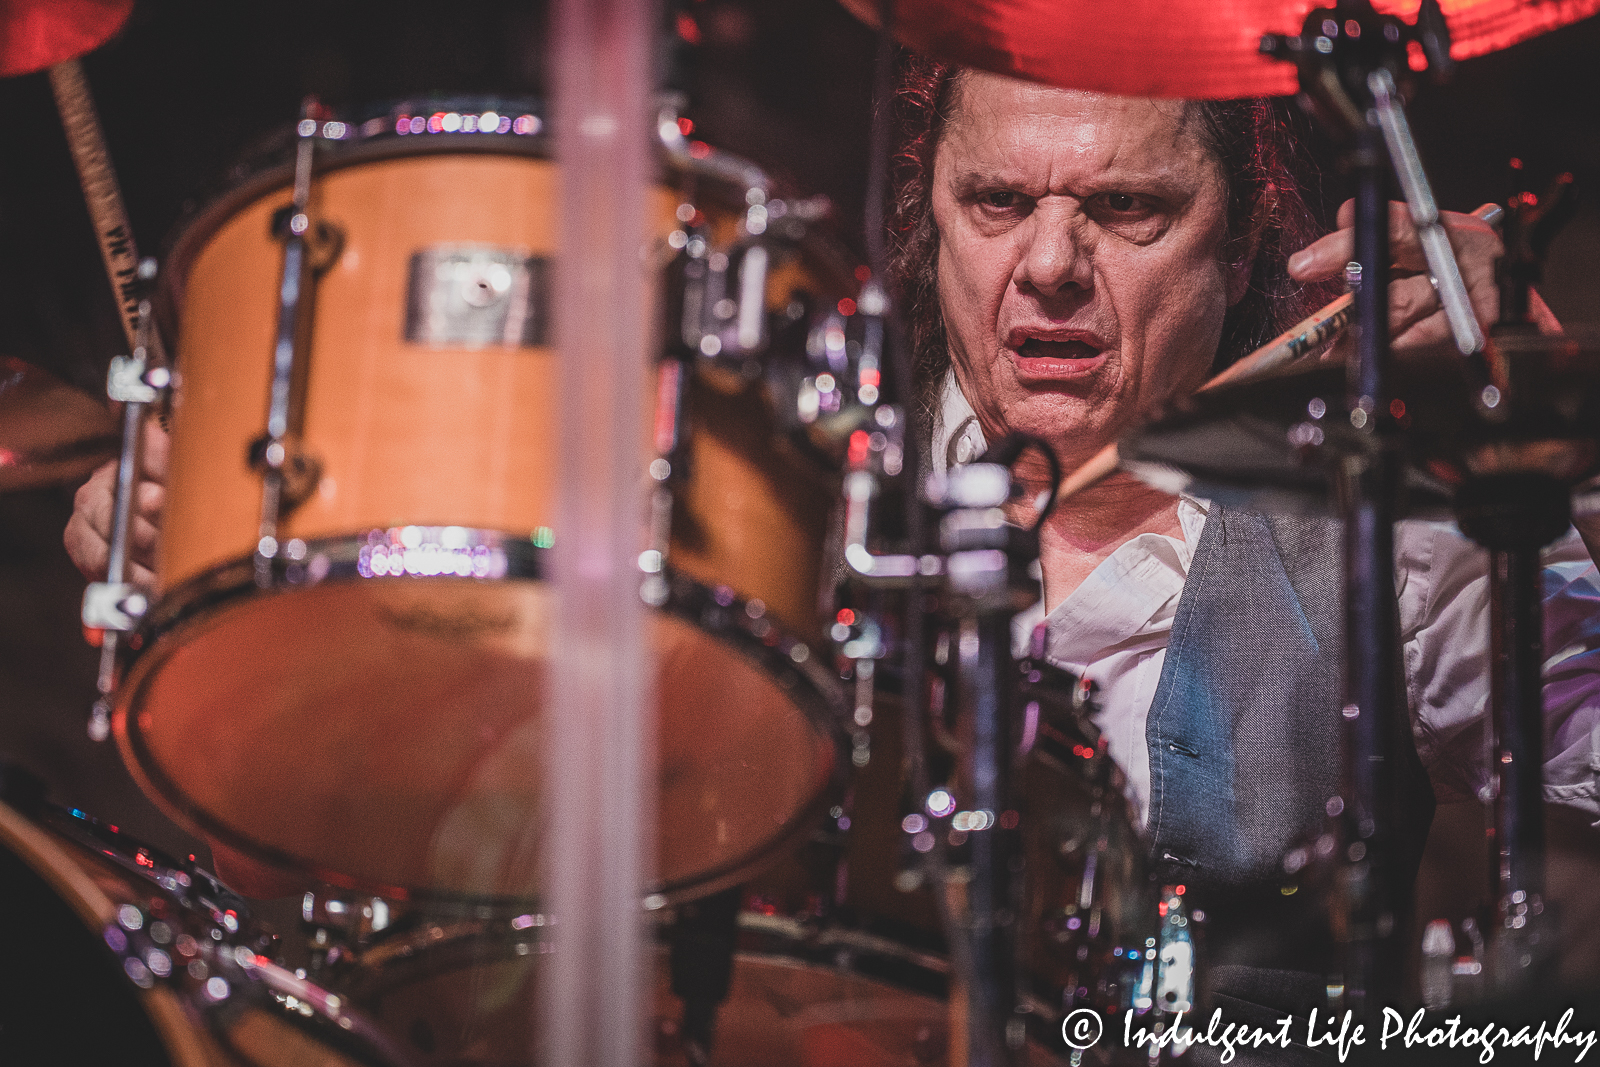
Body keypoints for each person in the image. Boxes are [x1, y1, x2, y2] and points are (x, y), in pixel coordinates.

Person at [888, 57, 1600, 1022]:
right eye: (997, 200)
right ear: (929, 212)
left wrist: (1544, 442)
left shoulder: (1382, 530)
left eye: (1127, 203)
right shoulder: (816, 508)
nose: (1049, 263)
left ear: (1240, 244)